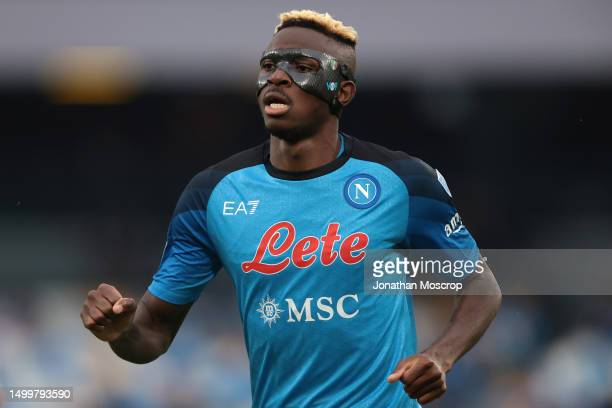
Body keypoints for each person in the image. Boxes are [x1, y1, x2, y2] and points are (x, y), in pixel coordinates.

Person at [80, 9, 501, 407]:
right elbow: (152, 331)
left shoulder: (403, 182)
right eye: (268, 66)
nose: (277, 77)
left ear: (343, 91)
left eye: (302, 66)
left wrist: (440, 356)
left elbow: (479, 285)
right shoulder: (212, 194)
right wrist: (119, 332)